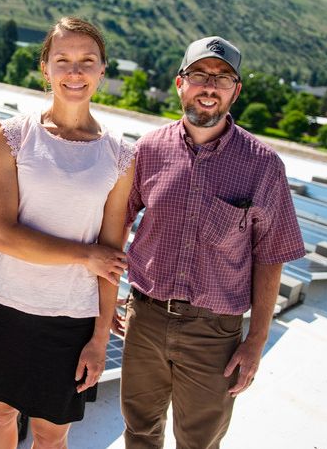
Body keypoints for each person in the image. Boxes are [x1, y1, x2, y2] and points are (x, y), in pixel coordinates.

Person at [118, 36, 305, 448]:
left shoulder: (263, 166)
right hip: (145, 319)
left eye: (223, 78)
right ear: (180, 83)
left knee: (199, 442)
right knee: (139, 431)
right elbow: (116, 226)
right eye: (200, 74)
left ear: (236, 91)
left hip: (214, 333)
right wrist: (113, 302)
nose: (210, 86)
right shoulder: (148, 150)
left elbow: (271, 256)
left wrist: (255, 340)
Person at [0, 17, 136, 449]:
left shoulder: (120, 155)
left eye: (86, 61)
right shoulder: (13, 135)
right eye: (62, 60)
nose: (74, 72)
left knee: (50, 433)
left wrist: (99, 339)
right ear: (45, 68)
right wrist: (85, 255)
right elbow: (2, 235)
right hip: (5, 304)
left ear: (102, 70)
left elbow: (111, 256)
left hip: (71, 320)